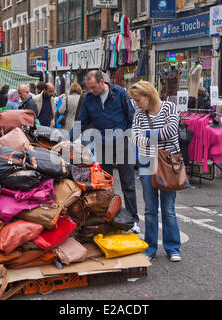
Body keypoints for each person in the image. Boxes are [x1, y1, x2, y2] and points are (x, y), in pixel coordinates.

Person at [73, 70, 140, 233]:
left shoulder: (119, 93)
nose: (91, 91)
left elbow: (131, 117)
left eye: (93, 87)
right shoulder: (88, 98)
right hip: (102, 143)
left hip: (121, 141)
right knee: (105, 185)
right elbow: (81, 122)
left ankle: (133, 220)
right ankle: (110, 218)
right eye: (88, 88)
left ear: (102, 82)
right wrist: (68, 140)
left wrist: (128, 135)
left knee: (128, 183)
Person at [129, 80, 182, 262]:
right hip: (146, 163)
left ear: (148, 96)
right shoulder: (138, 114)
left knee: (168, 209)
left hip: (168, 162)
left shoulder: (169, 108)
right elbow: (135, 138)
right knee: (150, 209)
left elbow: (172, 131)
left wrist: (147, 136)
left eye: (138, 100)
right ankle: (150, 248)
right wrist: (158, 134)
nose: (136, 104)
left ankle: (173, 248)